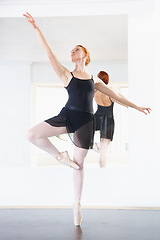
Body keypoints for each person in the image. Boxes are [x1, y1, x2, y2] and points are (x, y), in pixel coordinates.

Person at [23, 12, 151, 226]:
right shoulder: (66, 75)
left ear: (85, 55)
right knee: (31, 134)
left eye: (77, 49)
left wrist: (137, 107)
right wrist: (37, 28)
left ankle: (76, 203)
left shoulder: (94, 79)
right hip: (66, 115)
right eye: (71, 50)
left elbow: (116, 95)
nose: (72, 51)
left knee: (80, 164)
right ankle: (60, 157)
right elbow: (49, 53)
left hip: (85, 122)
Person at [94, 71, 128, 167]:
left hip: (97, 117)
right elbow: (123, 103)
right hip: (108, 120)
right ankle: (102, 170)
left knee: (85, 133)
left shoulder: (94, 91)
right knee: (103, 151)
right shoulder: (110, 92)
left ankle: (93, 146)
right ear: (107, 80)